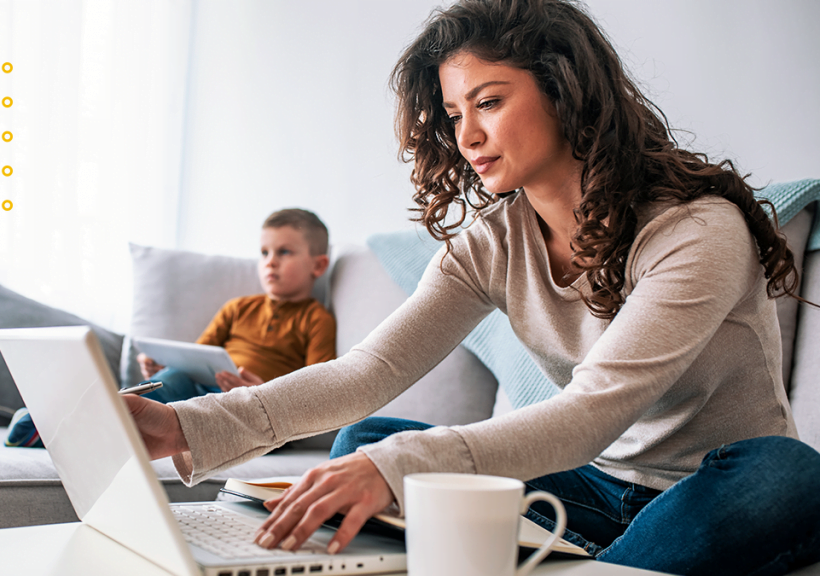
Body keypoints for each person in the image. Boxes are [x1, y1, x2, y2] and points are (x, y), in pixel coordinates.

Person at [123, 1, 820, 574]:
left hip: (715, 484)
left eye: (488, 101)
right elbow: (370, 372)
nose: (469, 135)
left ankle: (592, 561)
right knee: (370, 436)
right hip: (589, 487)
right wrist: (186, 424)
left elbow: (592, 412)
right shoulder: (493, 241)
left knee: (785, 474)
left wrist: (397, 466)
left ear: (565, 89)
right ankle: (604, 560)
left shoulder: (697, 230)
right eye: (455, 114)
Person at [137, 208, 336, 403]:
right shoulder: (238, 307)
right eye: (264, 253)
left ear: (318, 266)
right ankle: (133, 407)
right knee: (173, 377)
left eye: (284, 252)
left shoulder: (317, 319)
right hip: (199, 387)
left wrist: (263, 394)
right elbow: (195, 357)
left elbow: (317, 389)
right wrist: (162, 366)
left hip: (251, 404)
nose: (270, 262)